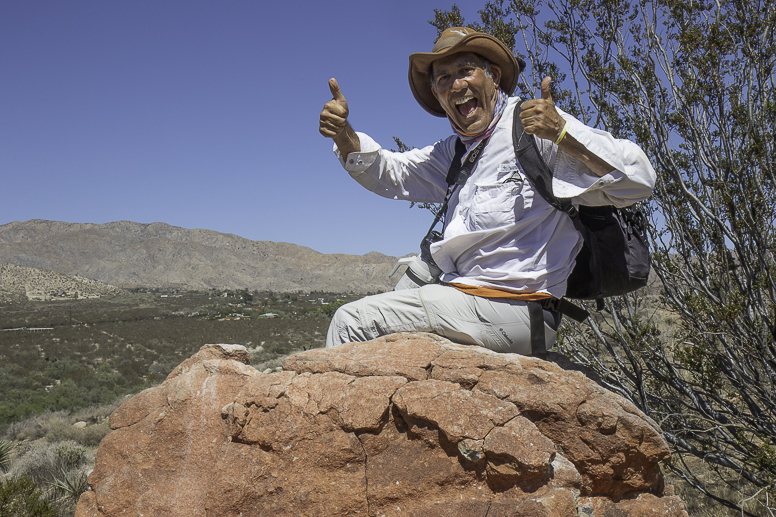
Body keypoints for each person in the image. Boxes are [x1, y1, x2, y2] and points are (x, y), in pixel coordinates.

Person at [318, 27, 655, 355]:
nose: (457, 84)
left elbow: (638, 181)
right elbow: (392, 173)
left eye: (465, 70)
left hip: (519, 309)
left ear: (493, 76)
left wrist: (563, 134)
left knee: (352, 321)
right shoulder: (455, 152)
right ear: (437, 93)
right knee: (413, 275)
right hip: (467, 298)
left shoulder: (535, 129)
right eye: (444, 78)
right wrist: (344, 134)